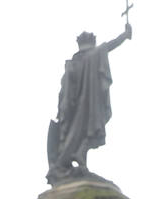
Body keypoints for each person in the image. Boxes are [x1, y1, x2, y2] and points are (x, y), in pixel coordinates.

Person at [46, 23, 132, 183]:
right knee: (88, 132)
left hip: (71, 112)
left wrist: (64, 113)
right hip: (89, 107)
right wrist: (125, 35)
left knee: (76, 136)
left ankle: (78, 160)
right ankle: (76, 158)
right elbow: (110, 45)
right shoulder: (95, 54)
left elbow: (64, 93)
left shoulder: (71, 64)